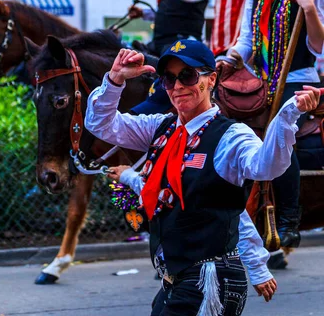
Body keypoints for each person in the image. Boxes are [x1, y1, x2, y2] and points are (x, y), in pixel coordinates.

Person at [85, 41, 319, 316]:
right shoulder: (161, 128)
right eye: (169, 79)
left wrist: (288, 114)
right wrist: (114, 81)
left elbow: (265, 167)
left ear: (211, 79)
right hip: (175, 279)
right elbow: (101, 124)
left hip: (211, 280)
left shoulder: (231, 136)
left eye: (188, 75)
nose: (177, 86)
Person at [222, 0, 324, 249]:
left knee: (280, 137)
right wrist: (230, 59)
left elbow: (318, 46)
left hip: (299, 83)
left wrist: (310, 10)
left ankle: (289, 218)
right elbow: (249, 41)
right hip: (264, 82)